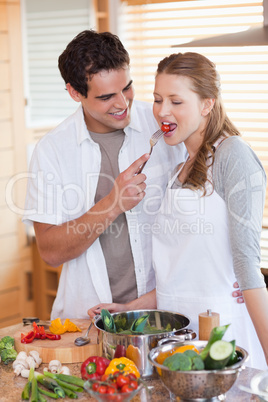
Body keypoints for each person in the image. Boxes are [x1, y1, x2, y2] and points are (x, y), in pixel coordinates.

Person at [88, 52, 268, 370]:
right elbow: (180, 275)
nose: (162, 111)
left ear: (206, 104)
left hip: (223, 341)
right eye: (158, 100)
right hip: (177, 344)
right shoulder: (179, 167)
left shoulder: (233, 155)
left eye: (176, 101)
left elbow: (247, 267)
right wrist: (127, 308)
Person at [22, 30, 185, 320]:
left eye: (128, 88)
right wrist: (112, 204)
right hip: (87, 318)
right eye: (107, 96)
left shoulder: (162, 123)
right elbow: (49, 250)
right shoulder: (52, 151)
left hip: (164, 311)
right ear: (75, 93)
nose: (123, 103)